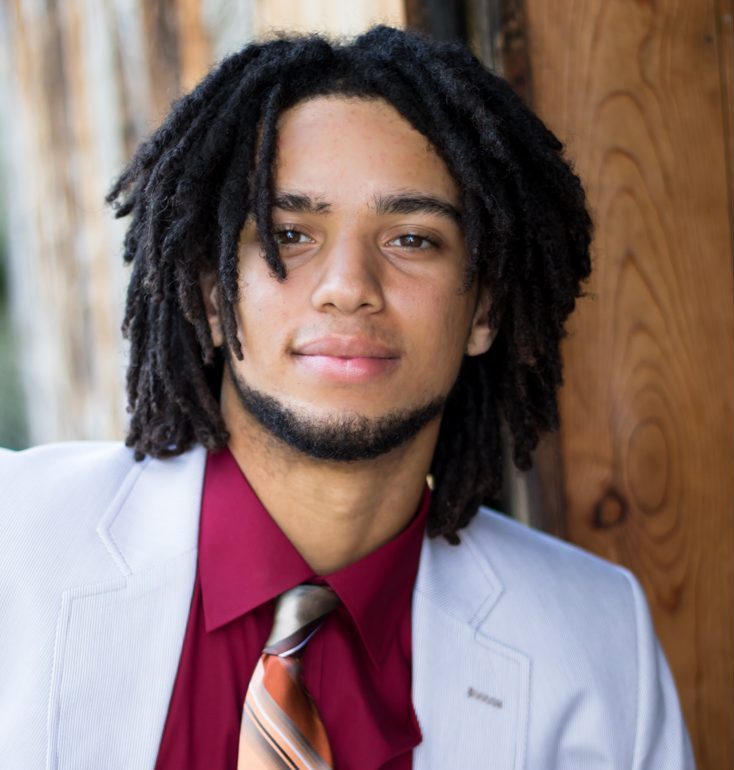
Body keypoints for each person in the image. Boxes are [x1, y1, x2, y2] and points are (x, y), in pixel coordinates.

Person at [0, 25, 694, 770]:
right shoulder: (17, 542)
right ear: (210, 296)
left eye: (412, 239)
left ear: (484, 312)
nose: (348, 287)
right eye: (290, 233)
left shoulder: (598, 643)